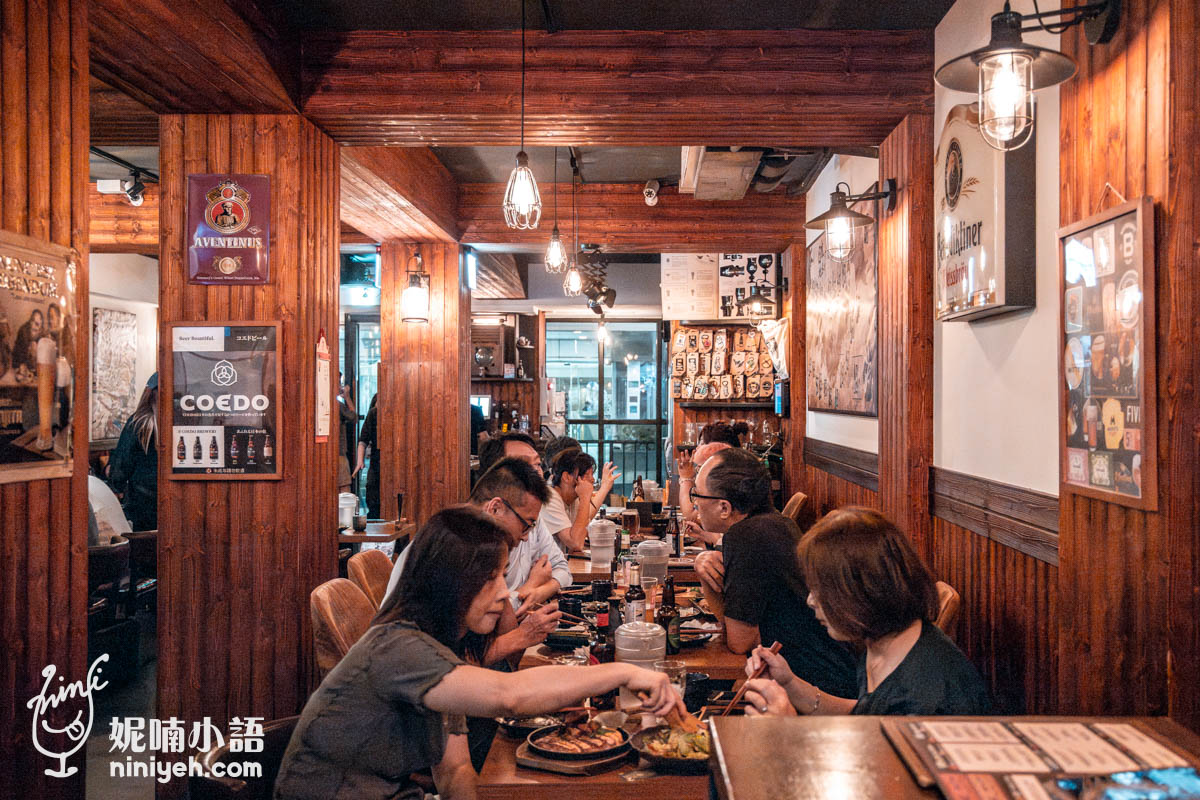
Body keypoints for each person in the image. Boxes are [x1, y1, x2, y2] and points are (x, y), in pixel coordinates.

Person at [274, 507, 682, 800]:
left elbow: (454, 771)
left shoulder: (437, 648)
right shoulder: (397, 645)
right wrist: (626, 673)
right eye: (490, 580)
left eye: (502, 577)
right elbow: (509, 695)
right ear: (447, 583)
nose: (505, 593)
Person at [742, 507, 991, 718]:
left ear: (862, 590)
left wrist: (786, 727)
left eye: (822, 590)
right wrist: (790, 683)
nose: (810, 600)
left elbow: (877, 772)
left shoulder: (925, 700)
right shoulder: (883, 642)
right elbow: (865, 716)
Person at [691, 448, 857, 698]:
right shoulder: (774, 523)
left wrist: (703, 574)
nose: (694, 503)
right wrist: (705, 573)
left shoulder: (747, 537)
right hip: (824, 671)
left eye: (698, 494)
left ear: (724, 507)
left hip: (813, 685)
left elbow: (739, 642)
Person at [386, 456, 569, 624]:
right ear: (495, 508)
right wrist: (532, 585)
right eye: (526, 525)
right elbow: (472, 623)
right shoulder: (452, 544)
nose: (526, 536)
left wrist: (536, 592)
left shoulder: (480, 541)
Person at [537, 449, 619, 554]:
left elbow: (586, 516)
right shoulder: (550, 498)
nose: (592, 480)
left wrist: (605, 486)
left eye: (592, 474)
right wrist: (585, 497)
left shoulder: (570, 495)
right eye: (587, 475)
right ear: (566, 477)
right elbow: (576, 543)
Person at [107, 374, 159, 531]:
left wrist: (114, 483)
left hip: (143, 504)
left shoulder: (139, 423)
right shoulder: (184, 422)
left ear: (148, 394)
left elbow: (122, 465)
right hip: (178, 500)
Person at [355, 394, 379, 517]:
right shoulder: (373, 413)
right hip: (376, 463)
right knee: (372, 497)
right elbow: (362, 441)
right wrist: (360, 461)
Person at [336, 374, 356, 494]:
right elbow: (354, 417)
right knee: (344, 492)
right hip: (339, 455)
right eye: (339, 383)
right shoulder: (338, 406)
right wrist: (347, 397)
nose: (341, 387)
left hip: (327, 456)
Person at [11, 308, 44, 374]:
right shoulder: (23, 331)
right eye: (33, 321)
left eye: (38, 323)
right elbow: (18, 354)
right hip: (19, 366)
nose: (36, 327)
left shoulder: (42, 334)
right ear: (30, 321)